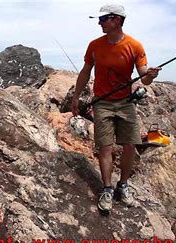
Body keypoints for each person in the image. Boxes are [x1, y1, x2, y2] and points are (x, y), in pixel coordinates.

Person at [71, 4, 161, 212]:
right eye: (100, 19)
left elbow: (144, 77)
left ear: (117, 20)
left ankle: (123, 185)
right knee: (105, 146)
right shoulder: (94, 45)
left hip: (126, 102)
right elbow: (85, 72)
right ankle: (107, 189)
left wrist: (151, 75)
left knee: (130, 144)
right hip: (101, 102)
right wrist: (76, 96)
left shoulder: (135, 46)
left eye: (103, 19)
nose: (99, 23)